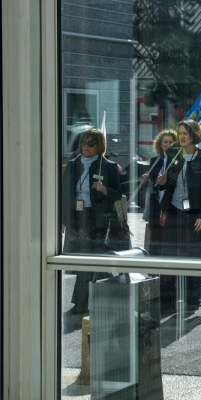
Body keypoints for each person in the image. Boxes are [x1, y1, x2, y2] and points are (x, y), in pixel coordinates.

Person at [158, 119, 201, 312]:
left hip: (194, 214)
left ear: (194, 135)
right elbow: (169, 184)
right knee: (168, 255)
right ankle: (167, 301)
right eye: (180, 133)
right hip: (174, 211)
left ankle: (192, 300)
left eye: (185, 133)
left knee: (192, 256)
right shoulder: (174, 155)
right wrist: (162, 182)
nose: (182, 137)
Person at [62, 128, 123, 313]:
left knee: (94, 262)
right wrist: (63, 220)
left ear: (99, 146)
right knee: (81, 262)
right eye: (83, 143)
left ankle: (84, 303)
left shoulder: (108, 166)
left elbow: (117, 195)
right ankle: (87, 302)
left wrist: (104, 189)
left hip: (98, 219)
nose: (86, 147)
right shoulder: (72, 164)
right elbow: (64, 195)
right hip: (77, 217)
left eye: (90, 143)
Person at [142, 129, 177, 256]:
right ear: (160, 144)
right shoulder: (155, 160)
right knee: (156, 232)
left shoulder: (177, 160)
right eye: (165, 142)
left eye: (171, 142)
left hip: (170, 202)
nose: (167, 145)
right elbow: (152, 180)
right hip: (156, 202)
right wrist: (147, 177)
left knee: (168, 233)